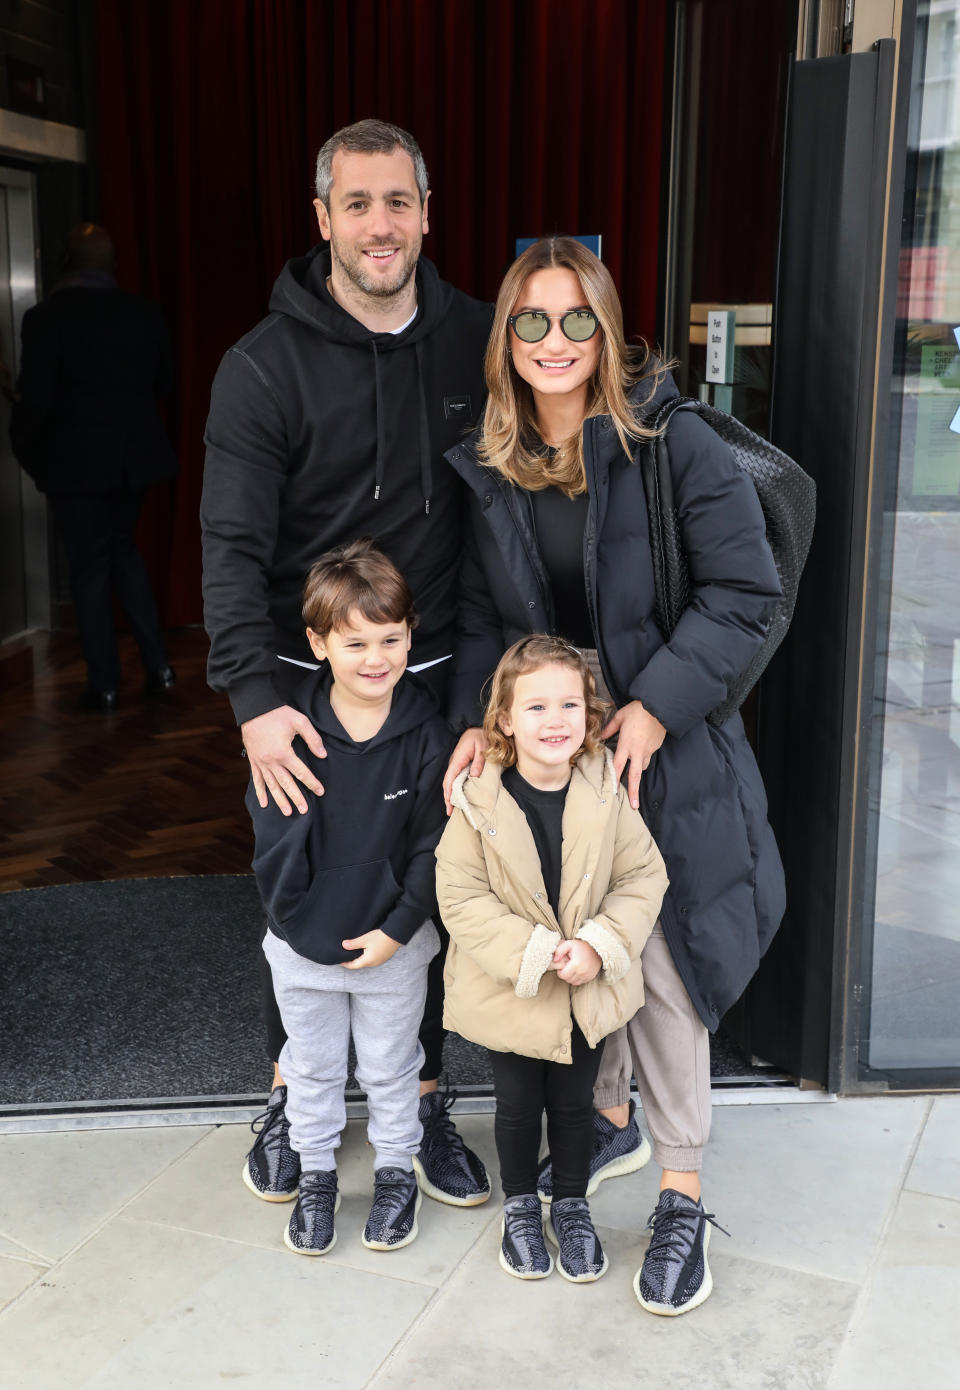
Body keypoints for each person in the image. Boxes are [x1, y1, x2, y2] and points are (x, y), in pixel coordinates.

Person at [441, 236, 786, 1314]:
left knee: (666, 967)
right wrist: (474, 722)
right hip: (548, 746)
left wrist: (655, 706)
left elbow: (746, 591)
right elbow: (481, 615)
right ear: (507, 336)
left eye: (575, 318)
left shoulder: (671, 443)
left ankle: (681, 1192)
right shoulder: (491, 457)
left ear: (607, 327)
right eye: (531, 320)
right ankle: (612, 1122)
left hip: (662, 741)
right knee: (569, 940)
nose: (555, 340)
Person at [201, 119, 492, 1209]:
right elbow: (227, 549)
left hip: (439, 668)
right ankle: (296, 1088)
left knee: (442, 891)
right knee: (307, 886)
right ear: (323, 220)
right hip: (305, 683)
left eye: (399, 202)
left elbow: (497, 525)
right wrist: (256, 706)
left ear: (426, 214)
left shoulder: (476, 339)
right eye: (358, 204)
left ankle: (421, 1097)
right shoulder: (261, 367)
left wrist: (473, 704)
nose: (381, 224)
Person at [437, 636, 668, 1282]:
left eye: (570, 704)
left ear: (591, 717)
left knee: (574, 1105)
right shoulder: (478, 799)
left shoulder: (605, 792)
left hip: (586, 988)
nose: (556, 720)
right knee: (515, 1106)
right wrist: (536, 952)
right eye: (536, 707)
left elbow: (643, 876)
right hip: (513, 988)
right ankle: (519, 1207)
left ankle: (570, 1204)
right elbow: (459, 895)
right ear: (505, 720)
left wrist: (599, 945)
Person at [249, 539, 451, 1255]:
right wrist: (304, 931)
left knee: (394, 1066)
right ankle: (315, 1176)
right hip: (303, 944)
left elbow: (436, 847)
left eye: (391, 639)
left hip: (393, 946)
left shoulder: (427, 733)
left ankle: (396, 1171)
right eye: (355, 641)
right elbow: (274, 846)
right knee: (311, 1068)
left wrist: (399, 927)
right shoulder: (290, 732)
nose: (376, 657)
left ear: (410, 634)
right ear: (317, 643)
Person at [11, 223, 177, 710]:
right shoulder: (143, 314)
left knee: (88, 567)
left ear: (66, 262)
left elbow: (37, 403)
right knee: (123, 552)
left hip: (76, 467)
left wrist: (27, 446)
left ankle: (103, 684)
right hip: (133, 464)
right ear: (111, 266)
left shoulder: (45, 318)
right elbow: (163, 382)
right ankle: (160, 667)